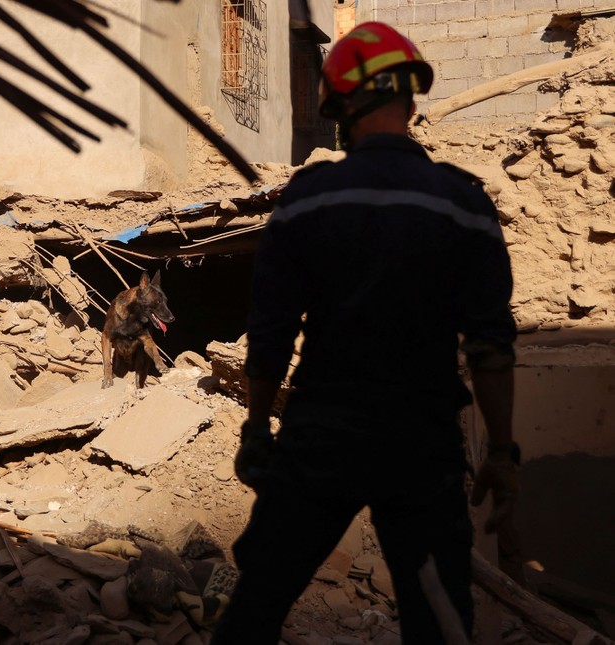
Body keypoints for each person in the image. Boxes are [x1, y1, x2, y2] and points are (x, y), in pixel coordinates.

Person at [211, 22, 519, 644]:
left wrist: (254, 428)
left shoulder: (306, 201)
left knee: (257, 608)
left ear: (340, 107)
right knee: (440, 624)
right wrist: (504, 452)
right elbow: (490, 346)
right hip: (423, 447)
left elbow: (268, 334)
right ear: (410, 99)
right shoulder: (463, 203)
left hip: (321, 440)